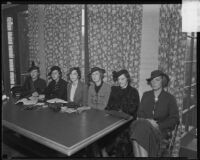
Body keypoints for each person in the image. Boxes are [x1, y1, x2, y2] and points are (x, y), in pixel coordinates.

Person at [130, 70, 180, 157]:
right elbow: (140, 113)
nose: (154, 82)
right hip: (144, 127)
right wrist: (149, 121)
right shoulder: (146, 95)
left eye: (157, 80)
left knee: (136, 133)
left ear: (163, 81)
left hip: (160, 130)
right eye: (152, 80)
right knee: (140, 129)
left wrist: (158, 125)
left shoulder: (170, 98)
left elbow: (174, 119)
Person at [102, 69, 140, 157]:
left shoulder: (133, 91)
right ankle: (107, 152)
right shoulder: (114, 89)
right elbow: (109, 105)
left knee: (121, 135)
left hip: (128, 121)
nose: (120, 81)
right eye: (119, 79)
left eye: (122, 79)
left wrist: (118, 109)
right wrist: (114, 110)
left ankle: (117, 153)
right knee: (103, 130)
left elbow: (132, 109)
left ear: (127, 79)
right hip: (114, 118)